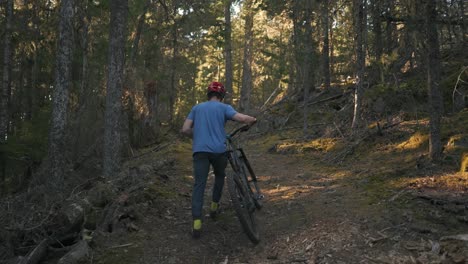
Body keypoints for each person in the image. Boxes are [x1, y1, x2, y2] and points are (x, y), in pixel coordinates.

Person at [181, 81, 256, 238]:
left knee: (199, 184)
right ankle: (214, 206)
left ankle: (196, 223)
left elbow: (185, 129)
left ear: (208, 94)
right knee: (220, 176)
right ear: (221, 96)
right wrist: (252, 120)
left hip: (199, 151)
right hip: (218, 151)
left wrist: (197, 136)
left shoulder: (196, 108)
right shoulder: (224, 108)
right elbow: (242, 118)